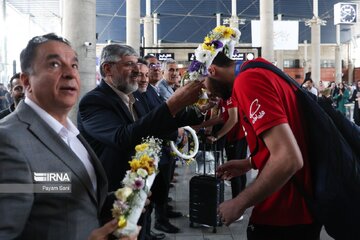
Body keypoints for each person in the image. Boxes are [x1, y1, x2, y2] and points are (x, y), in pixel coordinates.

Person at [0, 33, 139, 240]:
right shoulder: (9, 141)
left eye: (74, 65)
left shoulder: (68, 132)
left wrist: (121, 200)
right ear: (27, 81)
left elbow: (60, 197)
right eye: (55, 64)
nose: (70, 73)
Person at [187, 25, 320, 239]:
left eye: (203, 84)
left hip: (285, 209)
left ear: (211, 71)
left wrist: (239, 202)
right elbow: (288, 139)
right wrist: (250, 163)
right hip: (295, 206)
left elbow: (289, 158)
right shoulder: (259, 69)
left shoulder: (249, 81)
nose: (207, 92)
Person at [77, 44, 204, 236]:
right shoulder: (94, 101)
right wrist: (173, 104)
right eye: (129, 64)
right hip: (113, 197)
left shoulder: (133, 97)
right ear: (107, 69)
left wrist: (199, 111)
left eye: (137, 63)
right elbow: (122, 137)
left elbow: (156, 125)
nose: (137, 70)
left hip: (139, 191)